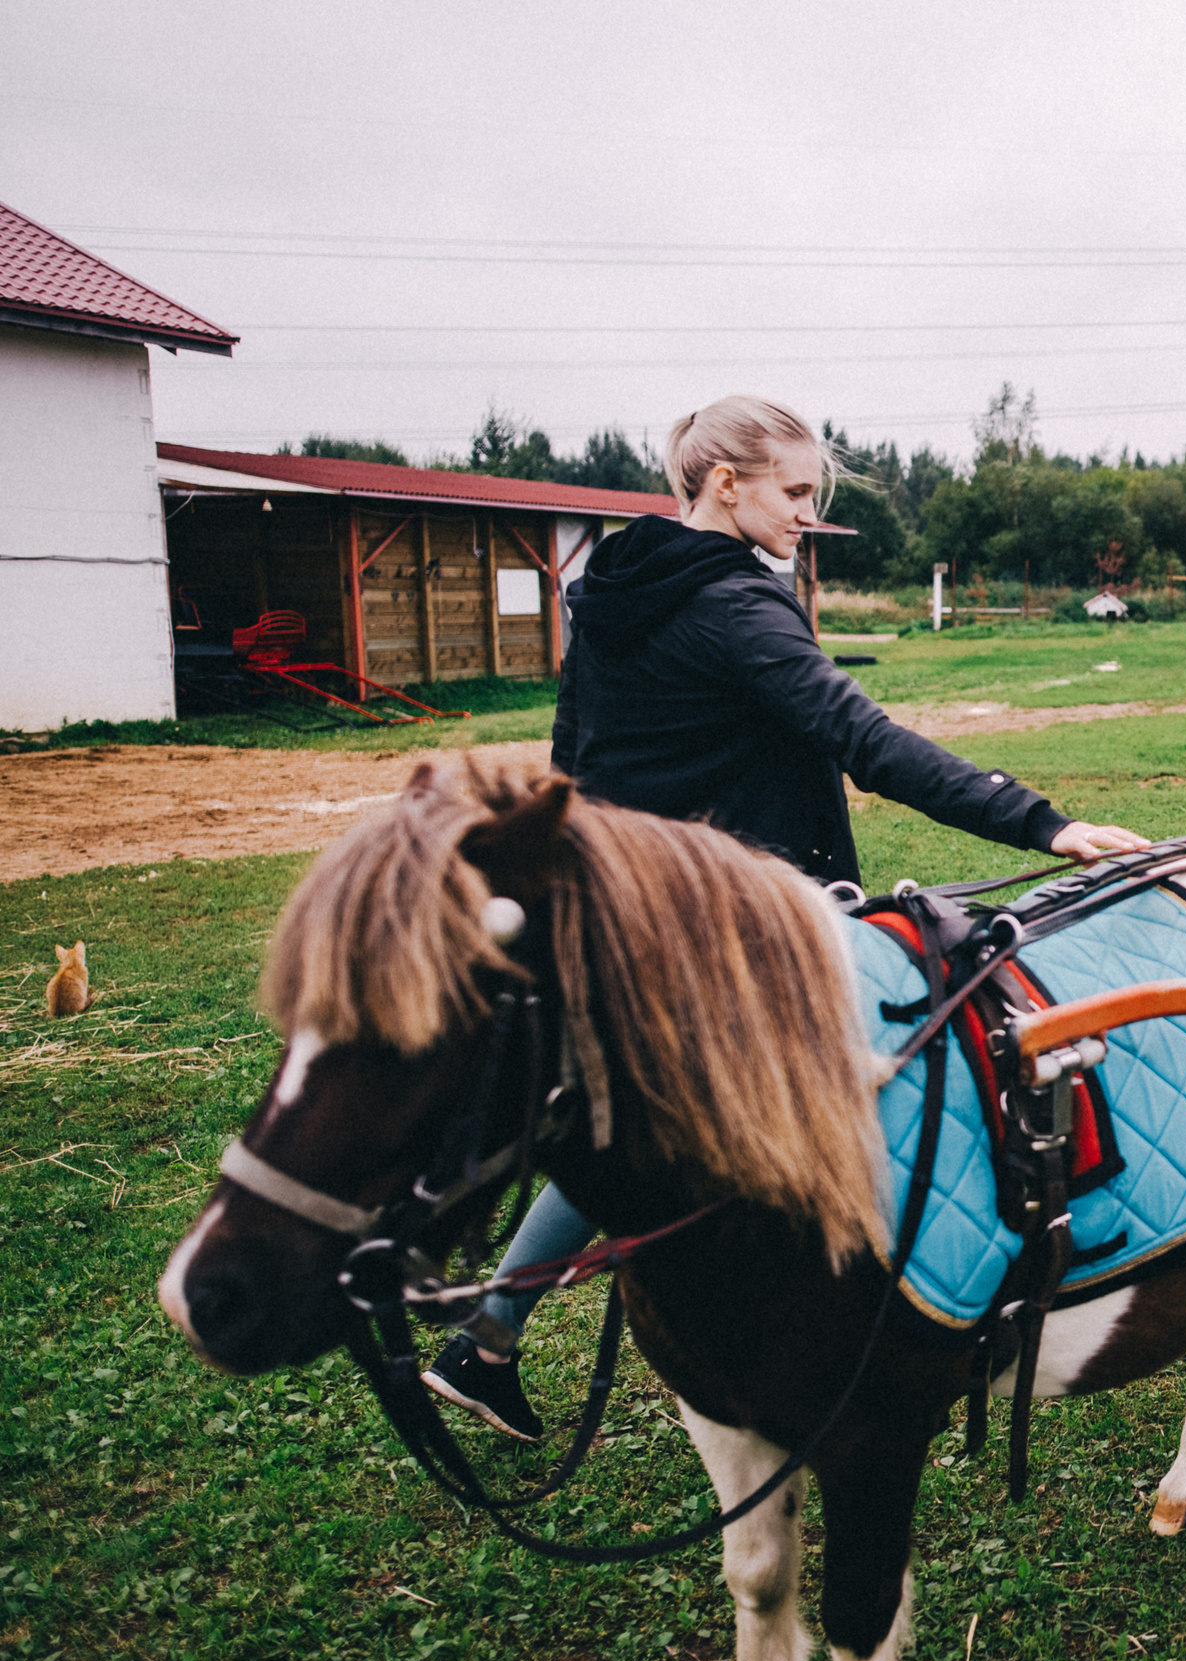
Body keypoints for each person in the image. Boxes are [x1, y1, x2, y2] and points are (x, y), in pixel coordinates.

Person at [424, 395, 1148, 1441]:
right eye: (797, 492)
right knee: (873, 1070)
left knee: (627, 1110)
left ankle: (488, 1334)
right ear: (726, 483)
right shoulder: (737, 606)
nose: (808, 514)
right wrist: (1043, 824)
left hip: (638, 904)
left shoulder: (609, 584)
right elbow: (866, 739)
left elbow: (572, 753)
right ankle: (867, 1319)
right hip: (741, 916)